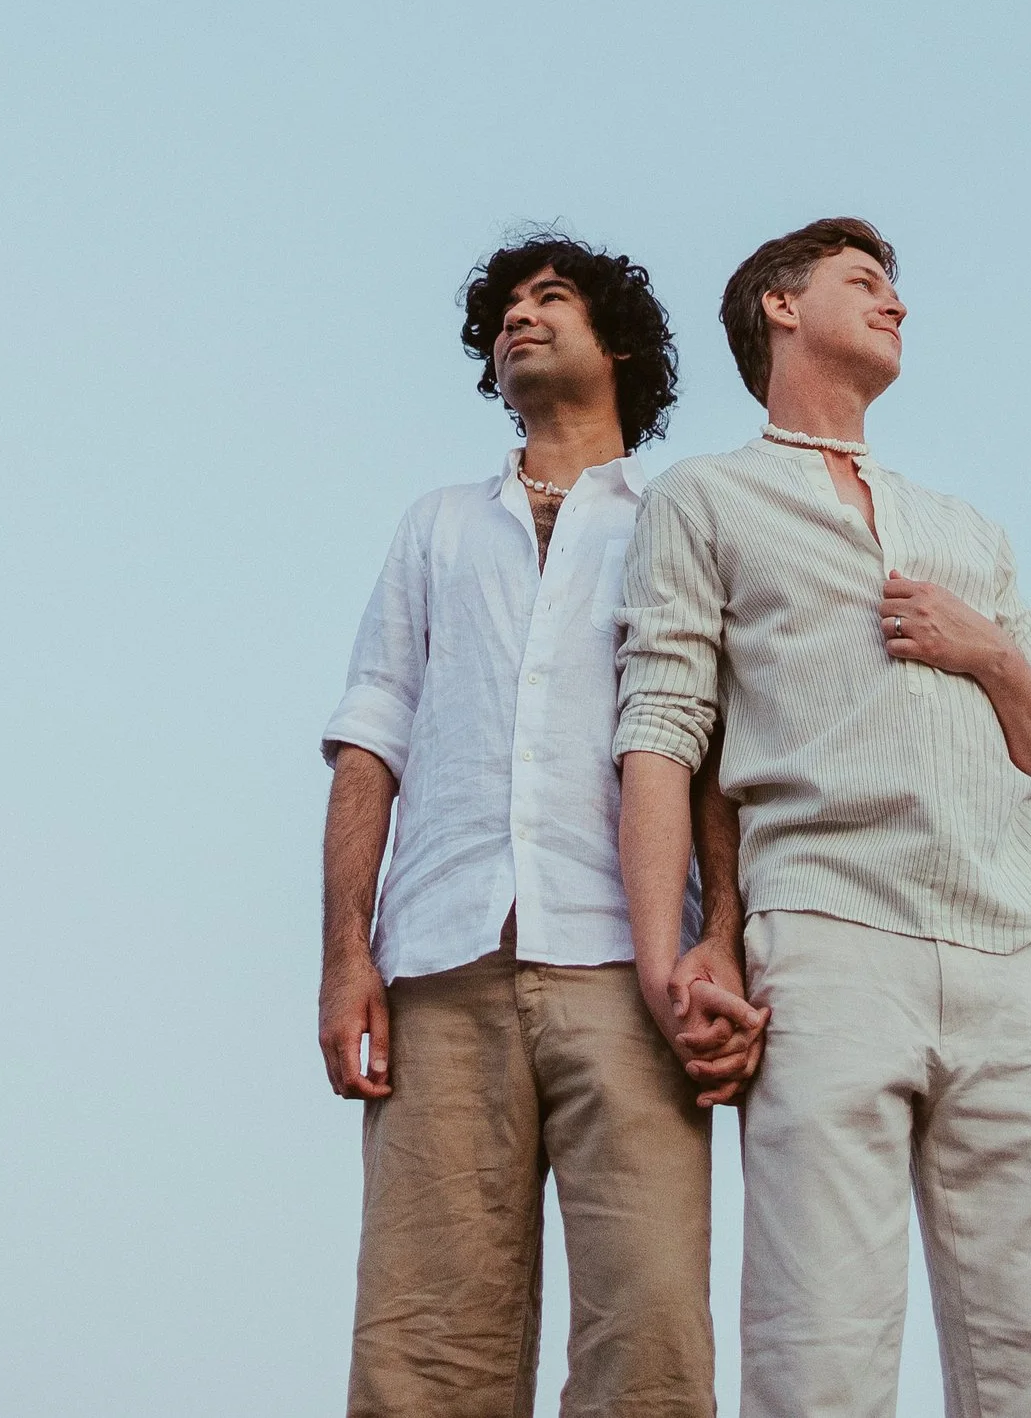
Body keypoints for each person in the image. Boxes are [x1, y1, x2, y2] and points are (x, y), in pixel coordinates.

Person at [615, 218, 1031, 1418]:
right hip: (830, 939)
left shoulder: (965, 531)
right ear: (781, 308)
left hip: (1022, 958)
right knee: (818, 1352)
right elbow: (663, 731)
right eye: (865, 283)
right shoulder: (706, 499)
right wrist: (666, 956)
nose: (896, 305)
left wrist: (982, 647)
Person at [319, 235, 761, 1418]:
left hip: (630, 972)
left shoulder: (680, 518)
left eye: (549, 298)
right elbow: (373, 738)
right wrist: (345, 957)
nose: (519, 318)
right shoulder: (438, 526)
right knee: (421, 1354)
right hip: (441, 966)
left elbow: (715, 747)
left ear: (615, 342)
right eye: (504, 309)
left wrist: (722, 930)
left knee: (651, 1337)